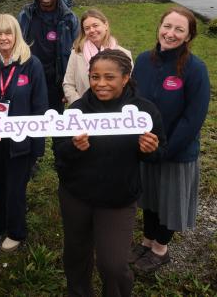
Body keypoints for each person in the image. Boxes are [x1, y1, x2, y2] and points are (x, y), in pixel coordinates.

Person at [53, 50, 165, 297]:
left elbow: (158, 153)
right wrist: (73, 147)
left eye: (109, 77)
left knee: (113, 265)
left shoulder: (144, 112)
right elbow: (58, 154)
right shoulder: (77, 110)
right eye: (94, 77)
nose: (100, 84)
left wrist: (149, 150)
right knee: (76, 255)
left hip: (118, 198)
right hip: (76, 196)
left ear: (125, 78)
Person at [131, 6, 210, 273]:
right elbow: (132, 102)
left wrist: (164, 149)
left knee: (170, 202)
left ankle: (160, 249)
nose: (171, 33)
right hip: (145, 146)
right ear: (159, 27)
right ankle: (146, 240)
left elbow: (193, 118)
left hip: (176, 151)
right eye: (167, 26)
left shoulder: (195, 69)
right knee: (151, 198)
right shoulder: (143, 61)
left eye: (179, 29)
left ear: (188, 37)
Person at [0, 14, 48, 252]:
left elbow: (40, 106)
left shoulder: (32, 64)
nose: (3, 38)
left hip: (21, 141)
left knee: (15, 188)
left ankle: (16, 230)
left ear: (16, 35)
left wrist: (37, 146)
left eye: (8, 33)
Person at [18, 0, 79, 114]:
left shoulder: (69, 18)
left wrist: (71, 84)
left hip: (56, 81)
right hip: (30, 77)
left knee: (57, 123)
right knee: (31, 121)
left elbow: (77, 52)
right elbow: (14, 43)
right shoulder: (26, 15)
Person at [63, 9, 132, 105]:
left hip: (115, 111)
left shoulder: (124, 54)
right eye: (87, 28)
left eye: (95, 25)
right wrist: (79, 105)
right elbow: (68, 84)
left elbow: (129, 85)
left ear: (106, 25)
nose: (91, 30)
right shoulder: (76, 54)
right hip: (85, 112)